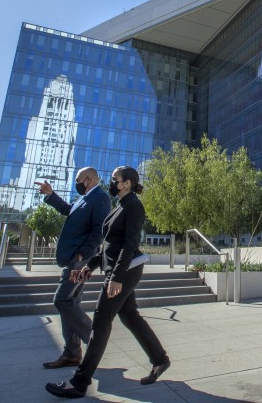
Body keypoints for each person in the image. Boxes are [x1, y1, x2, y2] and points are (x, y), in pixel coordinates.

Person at [46, 166, 170, 399]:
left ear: (128, 183)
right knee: (130, 316)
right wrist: (89, 266)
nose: (111, 182)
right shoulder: (120, 206)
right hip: (118, 269)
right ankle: (160, 359)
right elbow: (110, 246)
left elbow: (129, 244)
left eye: (116, 179)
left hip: (126, 270)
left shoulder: (134, 206)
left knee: (101, 322)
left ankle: (80, 382)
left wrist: (116, 278)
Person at [35, 167, 111, 369]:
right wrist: (51, 195)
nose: (76, 184)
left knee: (62, 299)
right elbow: (70, 211)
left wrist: (82, 255)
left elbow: (100, 229)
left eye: (78, 180)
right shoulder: (84, 199)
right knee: (70, 301)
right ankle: (72, 353)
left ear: (88, 180)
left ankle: (95, 342)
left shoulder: (100, 198)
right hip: (73, 259)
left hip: (80, 260)